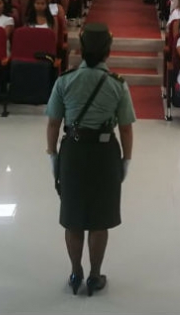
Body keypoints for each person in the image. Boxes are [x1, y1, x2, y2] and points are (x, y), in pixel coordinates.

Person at [46, 23, 135, 297]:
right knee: (99, 219)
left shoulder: (65, 80)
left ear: (82, 51)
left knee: (73, 218)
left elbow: (53, 124)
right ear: (108, 52)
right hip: (104, 153)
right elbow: (126, 128)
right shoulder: (117, 84)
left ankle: (76, 273)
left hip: (72, 152)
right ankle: (95, 276)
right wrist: (125, 161)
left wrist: (53, 157)